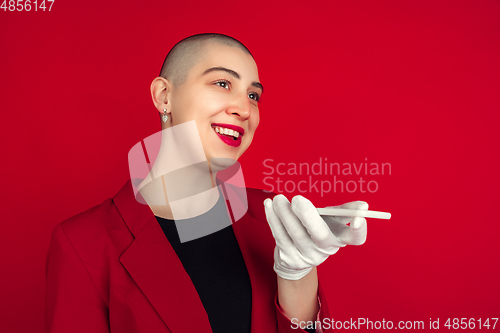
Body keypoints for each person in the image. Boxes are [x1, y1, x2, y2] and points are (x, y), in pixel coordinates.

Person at [45, 33, 369, 333]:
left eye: (253, 94)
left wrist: (298, 274)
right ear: (164, 96)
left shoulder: (274, 216)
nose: (244, 109)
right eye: (222, 83)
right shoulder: (83, 245)